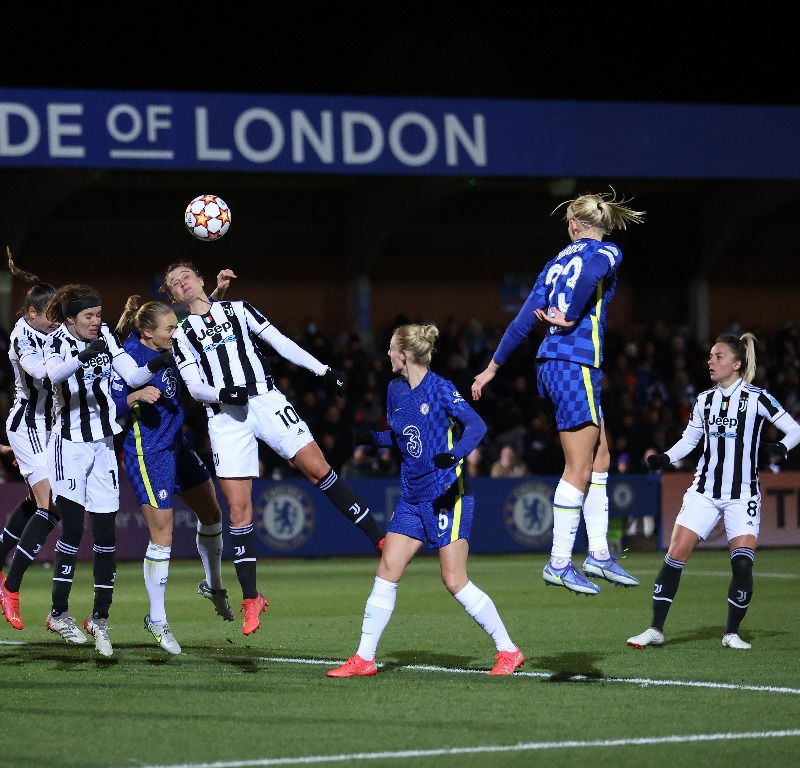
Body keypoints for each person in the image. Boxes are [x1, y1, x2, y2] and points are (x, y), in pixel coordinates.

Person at [162, 260, 385, 636]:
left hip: (266, 400)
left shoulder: (239, 309)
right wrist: (222, 393)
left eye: (185, 276)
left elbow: (279, 342)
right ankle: (252, 599)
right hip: (225, 418)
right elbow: (193, 383)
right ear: (172, 297)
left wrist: (322, 370)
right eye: (173, 283)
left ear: (200, 279)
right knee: (238, 507)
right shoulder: (182, 333)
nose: (181, 283)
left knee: (319, 469)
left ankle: (379, 539)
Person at [472, 191, 645, 595]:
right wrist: (569, 316)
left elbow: (519, 323)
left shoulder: (552, 265)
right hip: (575, 363)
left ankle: (600, 553)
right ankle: (560, 561)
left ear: (572, 226)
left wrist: (492, 367)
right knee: (580, 466)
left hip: (552, 365)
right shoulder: (607, 251)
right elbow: (589, 277)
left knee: (601, 453)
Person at [328, 324, 524, 678]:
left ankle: (508, 650)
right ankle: (364, 658)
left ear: (404, 354)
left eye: (390, 348)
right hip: (411, 497)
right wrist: (371, 438)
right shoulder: (395, 390)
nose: (386, 354)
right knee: (387, 570)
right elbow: (403, 439)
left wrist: (456, 454)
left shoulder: (441, 389)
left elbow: (476, 427)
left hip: (446, 494)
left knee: (454, 580)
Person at [628, 333, 800, 650]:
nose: (710, 361)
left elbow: (795, 429)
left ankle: (731, 633)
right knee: (674, 556)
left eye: (718, 357)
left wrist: (781, 447)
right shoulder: (704, 401)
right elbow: (690, 440)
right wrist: (667, 457)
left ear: (736, 364)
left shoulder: (757, 397)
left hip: (743, 493)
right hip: (704, 490)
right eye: (710, 356)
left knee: (743, 564)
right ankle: (655, 629)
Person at [42, 284, 172, 656]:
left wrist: (156, 363)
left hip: (102, 445)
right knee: (71, 528)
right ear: (70, 320)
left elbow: (132, 377)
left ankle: (100, 618)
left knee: (105, 533)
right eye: (89, 316)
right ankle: (58, 613)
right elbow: (54, 376)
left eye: (99, 315)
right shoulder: (57, 344)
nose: (97, 321)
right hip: (70, 446)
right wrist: (85, 355)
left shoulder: (107, 341)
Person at [114, 293, 238, 655]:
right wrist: (135, 396)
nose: (176, 333)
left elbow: (195, 317)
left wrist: (214, 295)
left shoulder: (173, 342)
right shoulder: (128, 357)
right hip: (147, 450)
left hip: (177, 444)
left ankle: (213, 585)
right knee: (163, 535)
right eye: (169, 328)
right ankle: (156, 617)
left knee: (213, 514)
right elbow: (108, 402)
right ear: (147, 333)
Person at [0, 250, 61, 630]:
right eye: (50, 317)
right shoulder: (23, 334)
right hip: (29, 424)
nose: (56, 324)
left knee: (37, 503)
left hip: (52, 425)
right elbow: (40, 374)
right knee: (51, 504)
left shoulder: (51, 330)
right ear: (32, 314)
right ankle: (11, 586)